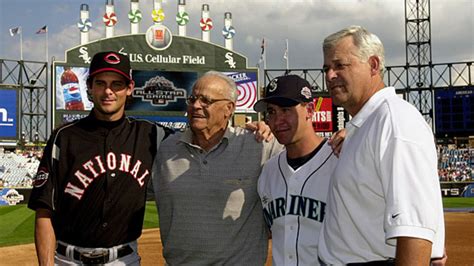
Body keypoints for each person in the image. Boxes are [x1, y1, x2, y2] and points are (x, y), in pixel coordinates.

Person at [28, 51, 171, 265]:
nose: (108, 92)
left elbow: (198, 141)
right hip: (68, 260)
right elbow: (44, 210)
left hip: (123, 260)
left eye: (117, 84)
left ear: (129, 88)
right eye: (100, 83)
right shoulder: (64, 137)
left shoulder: (151, 135)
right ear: (89, 87)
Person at [318, 25, 445, 265]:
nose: (329, 75)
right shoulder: (368, 124)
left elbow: (414, 230)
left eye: (339, 65)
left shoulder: (395, 121)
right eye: (326, 68)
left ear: (373, 65)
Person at [152, 71, 283, 265]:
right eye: (193, 98)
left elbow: (308, 153)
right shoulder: (166, 148)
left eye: (206, 100)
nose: (196, 105)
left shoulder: (259, 144)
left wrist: (343, 137)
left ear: (229, 108)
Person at [254, 75, 339, 266]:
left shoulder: (340, 161)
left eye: (286, 110)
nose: (277, 121)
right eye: (272, 112)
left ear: (309, 110)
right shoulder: (268, 171)